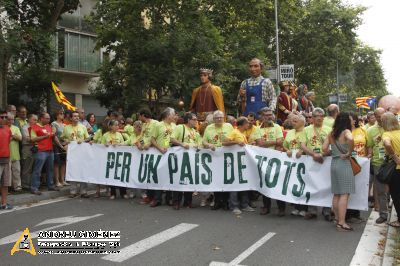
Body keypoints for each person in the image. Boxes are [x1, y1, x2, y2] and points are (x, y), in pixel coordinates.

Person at [322, 112, 355, 232]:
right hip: (343, 163)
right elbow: (351, 139)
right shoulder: (346, 131)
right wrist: (348, 152)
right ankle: (342, 222)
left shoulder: (332, 133)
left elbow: (324, 148)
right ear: (346, 121)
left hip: (334, 163)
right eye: (351, 120)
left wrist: (334, 151)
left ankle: (337, 218)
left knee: (336, 193)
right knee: (344, 194)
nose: (353, 122)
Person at [251, 107, 285, 216]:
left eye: (270, 114)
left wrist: (268, 143)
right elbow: (260, 143)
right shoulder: (257, 129)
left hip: (276, 159)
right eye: (266, 115)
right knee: (265, 183)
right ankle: (266, 206)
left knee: (277, 183)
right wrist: (274, 142)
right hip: (263, 160)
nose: (269, 116)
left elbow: (281, 141)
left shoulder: (277, 127)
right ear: (261, 117)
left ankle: (281, 208)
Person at [299, 107, 332, 220]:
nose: (319, 118)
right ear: (312, 118)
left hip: (326, 160)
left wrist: (322, 155)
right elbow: (302, 145)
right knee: (311, 185)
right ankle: (312, 210)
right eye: (316, 116)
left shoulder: (329, 129)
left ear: (324, 117)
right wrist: (314, 154)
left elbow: (332, 146)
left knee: (326, 185)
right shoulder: (306, 130)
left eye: (321, 116)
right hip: (311, 161)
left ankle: (326, 210)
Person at [222, 116, 255, 215]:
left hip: (243, 163)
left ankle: (244, 204)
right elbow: (224, 143)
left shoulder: (242, 133)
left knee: (244, 184)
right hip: (235, 163)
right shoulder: (235, 132)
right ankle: (234, 206)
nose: (248, 125)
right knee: (235, 185)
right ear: (242, 124)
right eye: (247, 123)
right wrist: (236, 142)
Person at [203, 110, 234, 210]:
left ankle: (225, 202)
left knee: (225, 179)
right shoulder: (209, 128)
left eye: (221, 117)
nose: (219, 119)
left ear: (224, 118)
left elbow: (234, 138)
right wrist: (209, 145)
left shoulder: (229, 126)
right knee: (216, 179)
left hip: (226, 156)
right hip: (214, 157)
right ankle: (217, 201)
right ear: (214, 119)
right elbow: (203, 141)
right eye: (217, 118)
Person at [170, 112, 202, 210]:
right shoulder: (180, 128)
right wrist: (182, 144)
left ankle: (188, 202)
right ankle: (176, 201)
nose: (196, 121)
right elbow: (172, 139)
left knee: (189, 179)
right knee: (179, 179)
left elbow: (200, 143)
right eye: (194, 119)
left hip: (191, 159)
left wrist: (198, 146)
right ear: (188, 120)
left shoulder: (195, 131)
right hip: (180, 158)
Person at [149, 107, 176, 207]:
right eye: (173, 114)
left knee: (170, 176)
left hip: (171, 154)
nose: (175, 116)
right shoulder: (158, 125)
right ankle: (157, 199)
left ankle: (168, 199)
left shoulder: (174, 125)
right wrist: (160, 148)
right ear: (168, 115)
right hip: (160, 154)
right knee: (159, 176)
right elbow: (152, 139)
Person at [61, 110, 90, 198]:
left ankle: (83, 191)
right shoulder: (66, 128)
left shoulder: (83, 127)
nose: (77, 117)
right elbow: (62, 139)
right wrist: (65, 141)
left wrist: (83, 140)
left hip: (82, 153)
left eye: (77, 116)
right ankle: (73, 191)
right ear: (70, 118)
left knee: (83, 171)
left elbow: (88, 138)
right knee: (72, 171)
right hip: (72, 153)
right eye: (74, 116)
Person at [367, 108, 388, 224]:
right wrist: (369, 154)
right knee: (380, 189)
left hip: (391, 162)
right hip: (377, 163)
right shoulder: (370, 130)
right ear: (374, 116)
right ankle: (383, 213)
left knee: (393, 189)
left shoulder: (392, 126)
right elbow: (369, 145)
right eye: (378, 116)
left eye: (382, 116)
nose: (380, 118)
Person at [283, 114, 307, 216]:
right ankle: (297, 207)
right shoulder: (290, 133)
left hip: (304, 162)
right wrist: (287, 150)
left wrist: (302, 150)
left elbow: (310, 144)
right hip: (292, 162)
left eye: (295, 121)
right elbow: (285, 145)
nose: (292, 123)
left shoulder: (306, 131)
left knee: (303, 185)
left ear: (302, 122)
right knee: (294, 184)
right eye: (292, 121)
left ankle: (304, 208)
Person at [29, 112, 59, 195]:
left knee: (50, 169)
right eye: (47, 118)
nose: (48, 120)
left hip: (50, 150)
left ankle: (50, 185)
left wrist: (59, 143)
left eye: (49, 118)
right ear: (41, 118)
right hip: (40, 151)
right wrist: (44, 137)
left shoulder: (49, 126)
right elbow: (32, 139)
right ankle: (34, 188)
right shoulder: (34, 127)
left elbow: (53, 137)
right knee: (37, 170)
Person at [381, 112, 400, 228]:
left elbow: (387, 144)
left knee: (396, 195)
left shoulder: (386, 134)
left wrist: (395, 157)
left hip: (396, 168)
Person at [101, 120, 127, 200]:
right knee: (112, 176)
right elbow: (101, 146)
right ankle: (113, 193)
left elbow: (124, 144)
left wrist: (119, 144)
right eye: (115, 125)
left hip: (119, 158)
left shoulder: (119, 134)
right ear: (110, 126)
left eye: (117, 125)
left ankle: (123, 193)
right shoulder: (105, 135)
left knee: (121, 175)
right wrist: (105, 145)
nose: (117, 127)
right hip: (110, 159)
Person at [20, 114, 37, 190]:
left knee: (33, 166)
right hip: (27, 147)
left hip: (35, 147)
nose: (36, 121)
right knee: (27, 166)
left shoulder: (36, 127)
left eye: (36, 120)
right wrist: (39, 138)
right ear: (29, 119)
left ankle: (31, 183)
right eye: (34, 120)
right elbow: (28, 139)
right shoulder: (25, 127)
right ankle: (25, 184)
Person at [0, 109, 13, 210]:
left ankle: (4, 203)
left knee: (5, 183)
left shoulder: (7, 129)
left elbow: (8, 142)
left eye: (6, 117)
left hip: (6, 159)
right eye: (2, 117)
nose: (4, 119)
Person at [51, 109, 68, 187]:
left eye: (63, 113)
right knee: (57, 163)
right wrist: (60, 145)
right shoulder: (54, 124)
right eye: (60, 113)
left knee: (63, 163)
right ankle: (57, 181)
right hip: (56, 146)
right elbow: (54, 136)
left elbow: (66, 136)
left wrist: (66, 143)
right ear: (56, 115)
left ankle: (63, 180)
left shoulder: (64, 125)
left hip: (64, 145)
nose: (62, 115)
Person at [7, 113, 22, 191]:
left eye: (12, 119)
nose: (11, 121)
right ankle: (7, 187)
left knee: (16, 171)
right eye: (9, 119)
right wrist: (13, 136)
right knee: (7, 173)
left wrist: (11, 135)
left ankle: (17, 186)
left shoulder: (16, 128)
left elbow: (20, 138)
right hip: (6, 154)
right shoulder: (2, 128)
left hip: (15, 154)